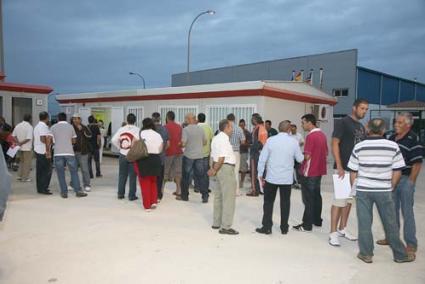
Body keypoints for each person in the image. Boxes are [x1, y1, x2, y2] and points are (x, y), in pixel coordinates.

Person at [347, 118, 415, 263]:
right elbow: (397, 170)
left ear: (368, 129)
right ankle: (400, 255)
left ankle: (366, 254)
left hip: (363, 190)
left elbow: (353, 171)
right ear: (384, 130)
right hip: (384, 190)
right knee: (390, 223)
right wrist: (391, 186)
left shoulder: (359, 146)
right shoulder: (393, 146)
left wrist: (355, 189)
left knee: (364, 222)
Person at [377, 112, 423, 256]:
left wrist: (411, 182)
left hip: (405, 180)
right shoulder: (391, 138)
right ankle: (392, 238)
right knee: (391, 211)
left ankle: (411, 244)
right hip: (391, 180)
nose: (396, 124)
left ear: (408, 125)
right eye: (396, 122)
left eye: (400, 122)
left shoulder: (413, 139)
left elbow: (417, 163)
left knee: (407, 212)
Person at [329, 98, 368, 246]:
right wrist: (339, 165)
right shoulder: (343, 122)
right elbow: (334, 143)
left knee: (349, 201)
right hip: (343, 169)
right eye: (362, 108)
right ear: (354, 108)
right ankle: (333, 233)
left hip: (355, 171)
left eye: (366, 109)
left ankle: (342, 228)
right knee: (339, 200)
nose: (364, 111)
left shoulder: (361, 127)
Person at [256, 120, 304, 235]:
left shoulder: (271, 140)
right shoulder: (293, 142)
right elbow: (300, 159)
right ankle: (284, 228)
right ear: (289, 130)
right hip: (286, 179)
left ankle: (267, 227)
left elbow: (262, 159)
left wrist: (260, 174)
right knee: (285, 203)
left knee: (268, 202)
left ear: (278, 128)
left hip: (271, 178)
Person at [293, 114, 328, 232]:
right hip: (319, 170)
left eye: (303, 122)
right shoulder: (322, 135)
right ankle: (317, 220)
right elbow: (326, 153)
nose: (302, 125)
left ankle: (306, 225)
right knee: (316, 196)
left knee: (308, 199)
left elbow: (307, 156)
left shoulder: (311, 136)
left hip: (310, 171)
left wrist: (298, 155)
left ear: (309, 123)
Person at [208, 119, 239, 235]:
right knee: (228, 198)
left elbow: (212, 156)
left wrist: (213, 169)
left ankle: (216, 222)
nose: (232, 129)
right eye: (231, 127)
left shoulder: (216, 138)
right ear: (226, 128)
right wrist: (214, 169)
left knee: (218, 197)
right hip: (225, 169)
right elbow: (222, 157)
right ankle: (225, 226)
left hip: (218, 168)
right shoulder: (224, 140)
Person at [50, 112, 87, 198]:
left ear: (58, 118)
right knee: (74, 172)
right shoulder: (70, 127)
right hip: (69, 152)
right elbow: (74, 140)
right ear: (66, 118)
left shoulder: (53, 127)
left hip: (58, 153)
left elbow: (50, 140)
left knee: (60, 173)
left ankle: (64, 192)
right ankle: (78, 191)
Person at [134, 118, 163, 211]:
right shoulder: (158, 134)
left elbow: (133, 145)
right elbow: (161, 148)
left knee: (145, 183)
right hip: (155, 158)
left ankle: (147, 205)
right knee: (153, 181)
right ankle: (153, 201)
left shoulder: (140, 134)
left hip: (144, 159)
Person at [111, 113, 140, 200]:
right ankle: (131, 195)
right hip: (132, 155)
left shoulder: (121, 129)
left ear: (127, 120)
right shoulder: (137, 130)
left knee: (122, 174)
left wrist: (120, 147)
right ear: (135, 121)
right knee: (132, 176)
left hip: (123, 154)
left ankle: (120, 194)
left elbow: (113, 140)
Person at [179, 113, 207, 202]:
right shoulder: (201, 129)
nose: (185, 120)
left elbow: (183, 143)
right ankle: (205, 196)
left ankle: (185, 196)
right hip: (199, 156)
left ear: (188, 119)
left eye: (186, 118)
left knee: (186, 177)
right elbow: (205, 142)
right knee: (201, 176)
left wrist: (179, 144)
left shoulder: (186, 129)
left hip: (188, 156)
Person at [247, 113, 268, 196]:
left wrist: (250, 146)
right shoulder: (260, 128)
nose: (251, 120)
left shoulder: (259, 128)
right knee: (261, 172)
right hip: (260, 153)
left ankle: (255, 191)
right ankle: (261, 189)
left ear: (255, 120)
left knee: (254, 172)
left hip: (256, 153)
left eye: (252, 119)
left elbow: (260, 143)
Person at [164, 111, 183, 197]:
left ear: (167, 117)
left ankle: (161, 190)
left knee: (165, 172)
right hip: (178, 152)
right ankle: (178, 190)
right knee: (178, 172)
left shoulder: (165, 127)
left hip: (168, 152)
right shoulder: (179, 127)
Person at [71, 113, 92, 192]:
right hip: (73, 152)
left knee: (84, 169)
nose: (75, 120)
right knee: (73, 169)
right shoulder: (71, 127)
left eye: (76, 119)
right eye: (74, 119)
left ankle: (87, 184)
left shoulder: (84, 127)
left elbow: (90, 136)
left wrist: (82, 130)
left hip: (83, 152)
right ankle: (72, 184)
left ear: (80, 119)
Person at [33, 111, 53, 195]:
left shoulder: (37, 126)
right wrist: (48, 148)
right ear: (47, 118)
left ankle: (40, 188)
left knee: (40, 171)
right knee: (47, 170)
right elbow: (43, 139)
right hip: (43, 150)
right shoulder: (43, 126)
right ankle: (44, 188)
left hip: (38, 150)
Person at [226, 113, 246, 196]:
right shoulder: (239, 129)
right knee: (235, 172)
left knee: (226, 172)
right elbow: (243, 141)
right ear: (234, 119)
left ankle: (227, 191)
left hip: (226, 152)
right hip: (235, 152)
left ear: (227, 119)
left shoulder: (225, 128)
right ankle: (236, 191)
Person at [152, 112, 169, 201]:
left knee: (151, 177)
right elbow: (168, 144)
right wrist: (162, 151)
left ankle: (152, 194)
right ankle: (158, 195)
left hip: (150, 157)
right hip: (161, 157)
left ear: (152, 119)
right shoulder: (164, 129)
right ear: (160, 119)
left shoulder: (149, 130)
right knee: (160, 177)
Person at [12, 114, 34, 182]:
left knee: (21, 162)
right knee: (27, 163)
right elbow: (28, 138)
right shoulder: (30, 127)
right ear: (30, 119)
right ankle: (25, 177)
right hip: (27, 148)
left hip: (19, 147)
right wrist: (21, 143)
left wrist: (18, 143)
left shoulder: (18, 125)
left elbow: (13, 136)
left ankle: (20, 176)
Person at [197, 113, 213, 195]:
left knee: (197, 171)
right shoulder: (208, 128)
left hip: (196, 153)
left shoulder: (196, 127)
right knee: (206, 172)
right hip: (206, 153)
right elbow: (211, 140)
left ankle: (197, 187)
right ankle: (206, 188)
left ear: (198, 119)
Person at [290, 124, 304, 189]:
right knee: (290, 170)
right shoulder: (289, 135)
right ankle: (293, 182)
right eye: (291, 129)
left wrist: (297, 144)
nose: (293, 130)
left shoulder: (299, 135)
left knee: (298, 169)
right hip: (290, 156)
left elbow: (302, 142)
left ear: (296, 129)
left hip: (298, 155)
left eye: (294, 129)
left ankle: (300, 182)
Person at [239, 119, 251, 188]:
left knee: (243, 168)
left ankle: (242, 181)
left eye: (242, 125)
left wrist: (243, 143)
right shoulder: (236, 132)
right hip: (236, 152)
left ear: (245, 125)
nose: (241, 127)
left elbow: (249, 144)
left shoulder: (247, 133)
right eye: (240, 125)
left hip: (244, 152)